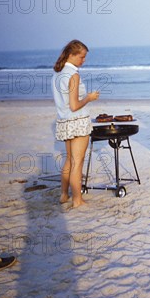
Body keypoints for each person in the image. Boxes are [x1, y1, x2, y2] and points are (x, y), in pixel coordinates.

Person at [52, 40, 100, 208]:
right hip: (77, 122)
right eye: (81, 57)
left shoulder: (58, 73)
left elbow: (65, 105)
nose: (84, 61)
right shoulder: (74, 75)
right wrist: (89, 98)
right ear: (71, 55)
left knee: (69, 160)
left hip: (64, 121)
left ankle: (64, 195)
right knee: (77, 163)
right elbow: (74, 105)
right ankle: (77, 200)